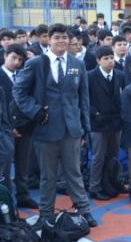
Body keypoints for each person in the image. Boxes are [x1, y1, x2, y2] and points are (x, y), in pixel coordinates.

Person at [13, 24, 97, 229]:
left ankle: (83, 210)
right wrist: (35, 111)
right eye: (57, 37)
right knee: (48, 176)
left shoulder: (78, 64)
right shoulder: (37, 64)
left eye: (64, 38)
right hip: (45, 127)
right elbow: (19, 91)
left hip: (72, 128)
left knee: (74, 172)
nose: (61, 41)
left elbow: (83, 98)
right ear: (49, 40)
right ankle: (46, 214)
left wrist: (85, 127)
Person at [0, 44, 37, 209]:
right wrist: (10, 129)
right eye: (13, 57)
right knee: (5, 170)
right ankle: (6, 201)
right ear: (5, 56)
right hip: (5, 131)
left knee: (23, 166)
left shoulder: (22, 76)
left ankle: (23, 195)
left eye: (20, 60)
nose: (16, 62)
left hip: (24, 128)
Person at [87, 46, 123, 200]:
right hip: (98, 123)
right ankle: (94, 187)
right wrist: (94, 113)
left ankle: (114, 182)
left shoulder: (120, 75)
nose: (110, 61)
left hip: (115, 122)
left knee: (115, 155)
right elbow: (83, 99)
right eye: (106, 58)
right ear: (98, 60)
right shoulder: (90, 76)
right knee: (98, 156)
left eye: (111, 58)